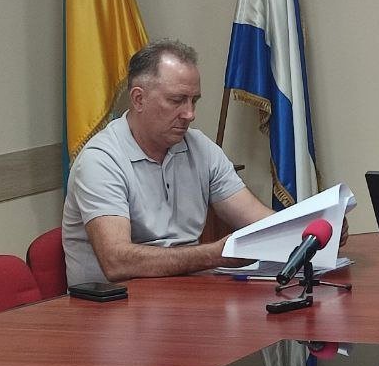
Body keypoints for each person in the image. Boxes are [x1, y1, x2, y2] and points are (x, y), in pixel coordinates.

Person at [63, 39, 274, 286]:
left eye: (194, 100)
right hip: (113, 303)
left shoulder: (199, 147)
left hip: (185, 293)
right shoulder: (101, 160)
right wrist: (215, 255)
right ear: (138, 99)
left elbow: (261, 221)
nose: (190, 114)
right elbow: (117, 262)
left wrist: (304, 232)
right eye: (177, 100)